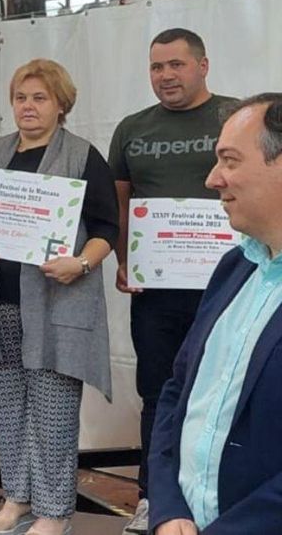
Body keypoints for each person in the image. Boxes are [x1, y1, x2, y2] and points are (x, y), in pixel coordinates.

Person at [0, 60, 119, 535]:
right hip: (0, 303)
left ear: (61, 104)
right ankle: (17, 498)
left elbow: (107, 229)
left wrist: (82, 263)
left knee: (52, 411)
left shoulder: (81, 155)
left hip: (58, 304)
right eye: (21, 98)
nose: (28, 108)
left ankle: (55, 511)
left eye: (39, 98)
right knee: (8, 406)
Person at [107, 29, 235, 535]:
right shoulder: (133, 128)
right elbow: (120, 200)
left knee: (226, 390)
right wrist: (123, 258)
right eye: (157, 67)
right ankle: (153, 498)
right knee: (160, 393)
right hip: (156, 291)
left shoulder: (235, 117)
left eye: (176, 65)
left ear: (203, 65)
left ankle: (223, 497)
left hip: (229, 286)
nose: (166, 76)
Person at [148, 94, 282, 535]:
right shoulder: (234, 268)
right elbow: (177, 392)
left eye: (229, 160)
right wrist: (167, 509)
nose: (211, 179)